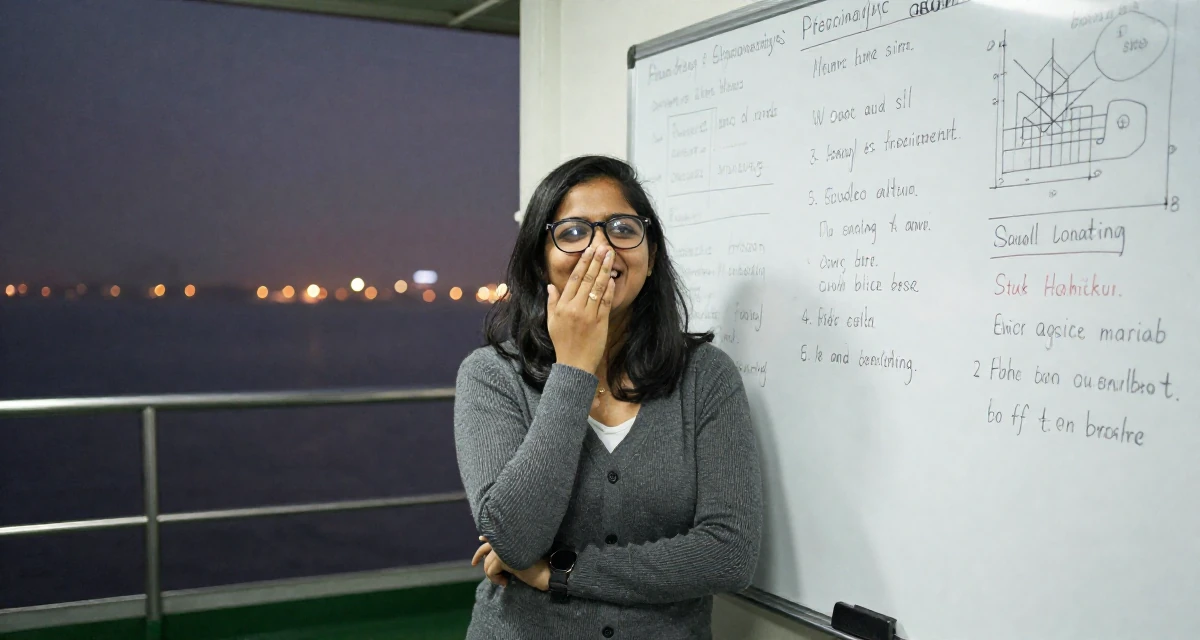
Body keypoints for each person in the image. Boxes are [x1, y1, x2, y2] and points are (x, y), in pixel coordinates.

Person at [453, 155, 763, 639]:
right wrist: (573, 367)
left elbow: (729, 554)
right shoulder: (491, 375)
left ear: (651, 252)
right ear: (540, 258)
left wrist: (561, 572)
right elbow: (514, 539)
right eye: (573, 232)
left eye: (622, 228)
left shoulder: (705, 376)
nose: (601, 249)